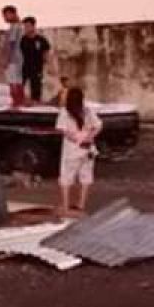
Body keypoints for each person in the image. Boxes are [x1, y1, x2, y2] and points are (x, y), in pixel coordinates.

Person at [56, 87, 102, 216]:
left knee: (66, 177)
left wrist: (77, 138)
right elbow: (98, 125)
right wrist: (89, 136)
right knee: (86, 176)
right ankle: (81, 204)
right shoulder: (87, 110)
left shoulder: (65, 112)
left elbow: (63, 130)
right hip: (88, 148)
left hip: (72, 150)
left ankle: (65, 207)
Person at [20, 16, 53, 103]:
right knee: (20, 85)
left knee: (36, 86)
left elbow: (46, 53)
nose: (26, 28)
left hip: (37, 67)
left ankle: (36, 101)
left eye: (27, 26)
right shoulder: (22, 40)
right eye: (24, 26)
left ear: (33, 26)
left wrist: (50, 66)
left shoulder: (41, 40)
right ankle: (20, 101)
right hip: (24, 67)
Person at [0, 5, 25, 108]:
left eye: (5, 15)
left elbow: (11, 44)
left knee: (13, 83)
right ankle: (19, 102)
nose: (4, 18)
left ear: (12, 14)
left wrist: (6, 60)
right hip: (19, 59)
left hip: (14, 60)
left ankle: (16, 103)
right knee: (18, 83)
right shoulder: (20, 26)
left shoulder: (15, 27)